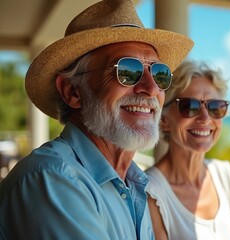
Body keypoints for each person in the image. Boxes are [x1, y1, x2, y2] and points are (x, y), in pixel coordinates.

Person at [0, 0, 193, 239]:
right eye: (127, 71)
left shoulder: (134, 182)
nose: (151, 88)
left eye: (159, 73)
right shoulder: (52, 178)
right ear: (72, 91)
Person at [145, 60, 230, 240]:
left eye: (215, 107)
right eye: (189, 106)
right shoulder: (152, 193)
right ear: (163, 119)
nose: (205, 118)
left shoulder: (224, 175)